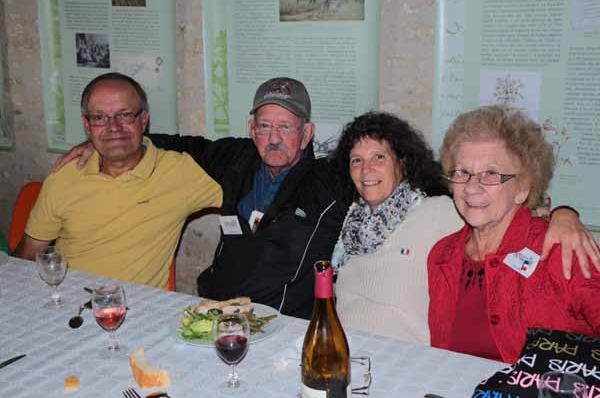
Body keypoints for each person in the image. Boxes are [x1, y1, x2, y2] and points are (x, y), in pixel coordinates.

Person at [53, 78, 598, 319]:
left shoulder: (334, 180)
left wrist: (560, 212)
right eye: (264, 125)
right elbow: (168, 140)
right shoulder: (232, 158)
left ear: (308, 133)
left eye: (286, 127)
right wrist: (105, 138)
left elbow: (465, 187)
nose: (274, 138)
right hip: (213, 309)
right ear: (251, 128)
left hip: (282, 323)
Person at [15, 72, 223, 289]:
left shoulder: (180, 172)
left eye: (124, 115)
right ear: (87, 125)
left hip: (138, 305)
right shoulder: (64, 177)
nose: (113, 127)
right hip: (72, 300)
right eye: (99, 118)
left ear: (144, 120)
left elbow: (244, 174)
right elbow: (27, 257)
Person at [428, 105, 600, 364]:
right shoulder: (442, 256)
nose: (472, 187)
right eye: (462, 172)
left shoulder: (561, 249)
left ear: (522, 189)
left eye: (490, 173)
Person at [331, 111, 462, 344]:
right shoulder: (351, 221)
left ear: (402, 163)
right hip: (346, 349)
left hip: (406, 356)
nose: (366, 169)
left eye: (378, 157)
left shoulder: (436, 212)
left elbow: (496, 227)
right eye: (356, 160)